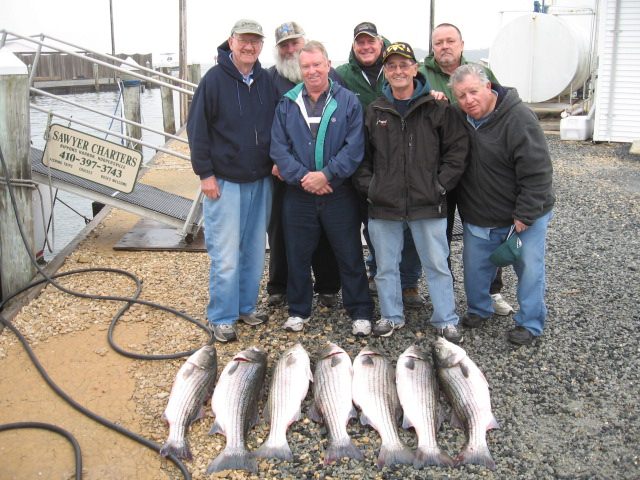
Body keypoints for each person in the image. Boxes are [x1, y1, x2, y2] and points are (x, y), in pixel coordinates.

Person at [353, 42, 468, 342]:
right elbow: (360, 158)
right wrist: (372, 188)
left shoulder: (437, 107)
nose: (398, 70)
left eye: (404, 64)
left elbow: (457, 152)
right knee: (385, 266)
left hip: (428, 203)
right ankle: (391, 316)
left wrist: (439, 185)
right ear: (385, 72)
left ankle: (445, 319)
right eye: (391, 66)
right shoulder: (375, 111)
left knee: (437, 265)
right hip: (384, 205)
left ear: (416, 68)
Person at [270, 40, 374, 336]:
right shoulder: (287, 103)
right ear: (299, 69)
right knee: (297, 255)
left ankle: (360, 311)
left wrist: (327, 175)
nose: (312, 71)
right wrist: (305, 177)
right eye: (306, 66)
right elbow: (278, 149)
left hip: (337, 193)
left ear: (328, 64)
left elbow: (354, 148)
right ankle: (298, 310)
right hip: (298, 194)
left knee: (349, 253)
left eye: (318, 64)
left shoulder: (348, 101)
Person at [449, 64, 555, 346]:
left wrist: (526, 213)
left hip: (521, 216)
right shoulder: (459, 118)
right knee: (474, 269)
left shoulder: (519, 118)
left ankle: (530, 323)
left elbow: (538, 171)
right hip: (479, 215)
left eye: (473, 91)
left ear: (488, 87)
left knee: (529, 269)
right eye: (461, 96)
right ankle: (478, 309)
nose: (468, 100)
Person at [187, 19, 277, 343]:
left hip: (261, 180)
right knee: (225, 254)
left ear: (261, 46)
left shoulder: (266, 80)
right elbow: (197, 130)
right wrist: (205, 174)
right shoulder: (213, 80)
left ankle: (245, 307)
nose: (249, 46)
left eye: (255, 41)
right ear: (231, 41)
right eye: (244, 40)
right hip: (224, 182)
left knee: (254, 250)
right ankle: (222, 316)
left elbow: (279, 122)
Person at [420, 22, 514, 317]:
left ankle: (492, 291)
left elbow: (500, 107)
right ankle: (444, 295)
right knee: (440, 236)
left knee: (487, 231)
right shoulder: (422, 76)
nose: (444, 46)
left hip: (478, 170)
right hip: (440, 172)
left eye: (450, 41)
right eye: (439, 42)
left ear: (461, 44)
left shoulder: (480, 72)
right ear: (433, 48)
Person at [336, 21, 424, 309]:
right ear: (353, 46)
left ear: (380, 43)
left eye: (370, 41)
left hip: (403, 165)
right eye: (360, 42)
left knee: (409, 230)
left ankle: (409, 283)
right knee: (373, 227)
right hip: (362, 164)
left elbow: (424, 96)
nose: (365, 47)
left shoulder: (397, 71)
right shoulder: (342, 75)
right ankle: (378, 274)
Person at [266, 21, 342, 309]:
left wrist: (330, 171)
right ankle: (279, 286)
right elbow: (264, 125)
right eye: (284, 45)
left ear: (304, 43)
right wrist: (273, 161)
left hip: (323, 173)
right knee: (280, 230)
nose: (290, 49)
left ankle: (327, 286)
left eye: (294, 43)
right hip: (283, 173)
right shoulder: (269, 78)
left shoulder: (329, 76)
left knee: (324, 229)